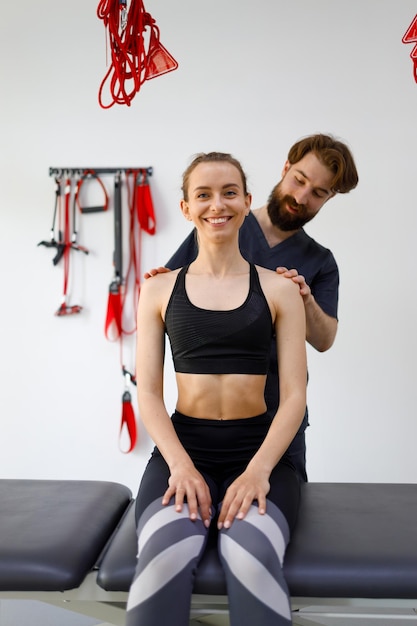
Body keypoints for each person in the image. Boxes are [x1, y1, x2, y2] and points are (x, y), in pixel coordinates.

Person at [126, 152, 307, 626]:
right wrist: (181, 467)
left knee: (249, 556)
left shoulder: (281, 289)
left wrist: (258, 471)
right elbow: (147, 393)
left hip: (260, 452)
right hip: (184, 450)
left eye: (229, 192)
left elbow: (294, 396)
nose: (217, 204)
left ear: (247, 202)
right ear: (186, 208)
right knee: (161, 559)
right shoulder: (158, 290)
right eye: (202, 194)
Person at [151, 134, 359, 481]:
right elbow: (173, 296)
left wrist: (304, 300)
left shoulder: (321, 262)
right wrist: (159, 281)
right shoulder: (225, 221)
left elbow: (324, 338)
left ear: (329, 198)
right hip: (207, 422)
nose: (301, 196)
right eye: (299, 180)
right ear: (286, 168)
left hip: (281, 416)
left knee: (278, 520)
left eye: (318, 193)